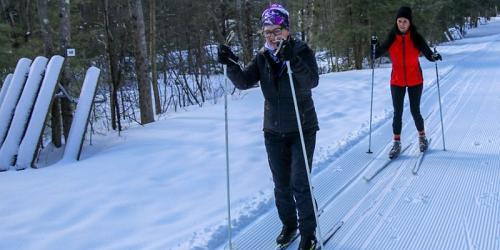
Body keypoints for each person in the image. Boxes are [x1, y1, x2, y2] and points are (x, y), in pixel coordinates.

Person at [218, 3, 319, 250]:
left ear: (286, 29)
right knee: (281, 183)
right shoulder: (263, 58)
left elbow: (311, 81)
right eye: (267, 32)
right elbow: (243, 82)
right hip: (273, 130)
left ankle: (308, 232)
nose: (272, 37)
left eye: (276, 30)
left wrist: (293, 60)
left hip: (301, 127)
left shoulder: (301, 51)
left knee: (299, 182)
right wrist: (230, 64)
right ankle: (289, 224)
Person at [372, 6, 442, 158]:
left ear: (409, 23)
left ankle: (422, 138)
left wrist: (434, 57)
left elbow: (428, 54)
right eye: (399, 21)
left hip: (415, 79)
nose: (402, 24)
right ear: (396, 22)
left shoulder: (416, 38)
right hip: (397, 81)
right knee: (397, 112)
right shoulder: (392, 38)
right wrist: (374, 45)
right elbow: (375, 54)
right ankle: (396, 143)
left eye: (405, 21)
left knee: (414, 110)